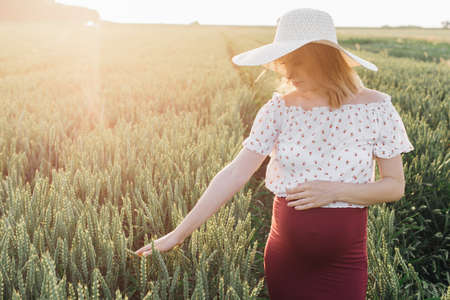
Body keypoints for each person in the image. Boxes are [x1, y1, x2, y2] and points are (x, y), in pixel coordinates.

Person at [135, 8, 415, 299]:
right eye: (285, 62)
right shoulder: (278, 109)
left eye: (298, 61)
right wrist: (178, 234)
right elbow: (235, 172)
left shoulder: (375, 109)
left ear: (324, 58)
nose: (289, 72)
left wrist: (335, 191)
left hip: (343, 263)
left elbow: (394, 186)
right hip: (286, 259)